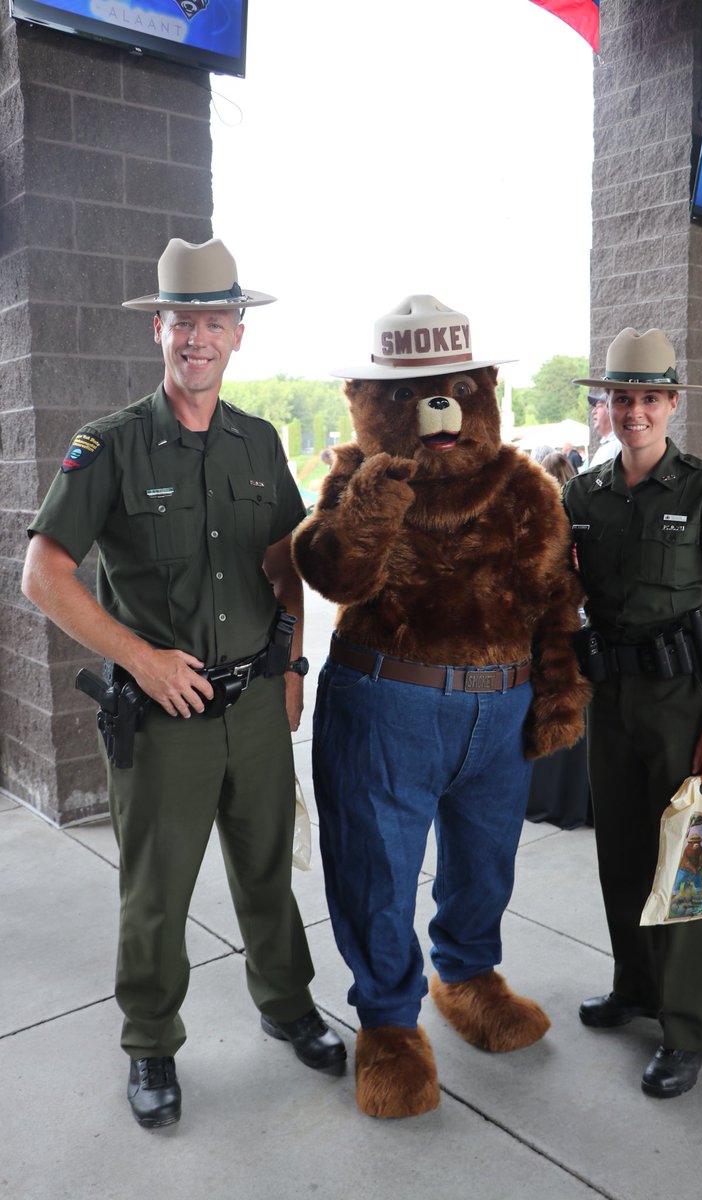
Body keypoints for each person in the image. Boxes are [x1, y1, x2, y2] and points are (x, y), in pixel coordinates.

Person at [21, 238, 345, 1129]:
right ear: (157, 329)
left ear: (237, 333)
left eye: (213, 322)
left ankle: (287, 1006)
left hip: (255, 705)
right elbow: (42, 574)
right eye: (181, 322)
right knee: (157, 888)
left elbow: (287, 568)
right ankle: (152, 1044)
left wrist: (290, 664)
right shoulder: (112, 446)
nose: (196, 339)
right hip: (166, 715)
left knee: (268, 872)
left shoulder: (259, 443)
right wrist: (141, 658)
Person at [565, 327, 702, 1100]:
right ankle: (636, 989)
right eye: (622, 398)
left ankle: (688, 1032)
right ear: (606, 406)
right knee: (620, 854)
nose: (634, 411)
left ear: (672, 403)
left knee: (689, 865)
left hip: (686, 703)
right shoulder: (582, 494)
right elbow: (568, 594)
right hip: (610, 699)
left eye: (649, 398)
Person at [581, 392, 621, 469]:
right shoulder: (609, 444)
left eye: (599, 406)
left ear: (612, 410)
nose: (593, 411)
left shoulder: (619, 445)